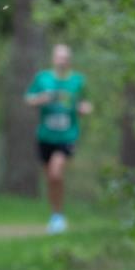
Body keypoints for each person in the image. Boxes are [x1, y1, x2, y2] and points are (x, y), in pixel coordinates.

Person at [24, 43, 93, 234]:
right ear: (53, 59)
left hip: (67, 136)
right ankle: (55, 214)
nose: (62, 60)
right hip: (46, 136)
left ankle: (59, 216)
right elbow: (29, 99)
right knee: (50, 178)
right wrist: (42, 99)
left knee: (56, 173)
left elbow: (86, 104)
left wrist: (84, 109)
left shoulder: (78, 81)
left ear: (69, 60)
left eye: (65, 57)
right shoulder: (43, 79)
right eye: (59, 57)